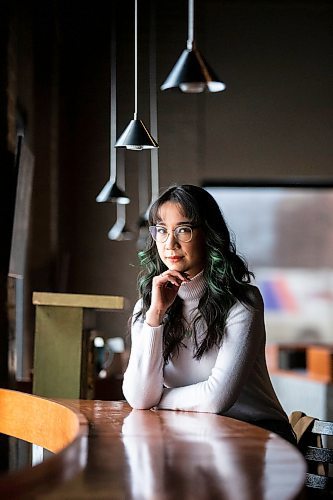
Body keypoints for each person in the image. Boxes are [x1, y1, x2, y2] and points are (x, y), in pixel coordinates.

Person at [122, 184, 296, 445]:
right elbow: (137, 398)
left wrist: (157, 398)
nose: (170, 243)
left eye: (183, 230)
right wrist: (156, 316)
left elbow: (217, 398)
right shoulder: (148, 306)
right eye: (162, 231)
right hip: (200, 434)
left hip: (259, 435)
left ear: (208, 234)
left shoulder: (243, 302)